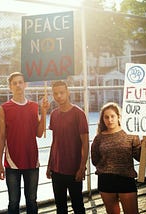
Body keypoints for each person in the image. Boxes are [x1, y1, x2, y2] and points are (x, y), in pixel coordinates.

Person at [0, 71, 49, 214]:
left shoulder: (33, 106)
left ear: (26, 84)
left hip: (31, 160)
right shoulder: (4, 108)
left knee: (32, 200)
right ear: (10, 87)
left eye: (21, 82)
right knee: (13, 202)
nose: (18, 85)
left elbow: (38, 133)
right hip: (12, 162)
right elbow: (1, 137)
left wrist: (44, 113)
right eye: (15, 83)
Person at [91, 102, 146, 214]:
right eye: (106, 117)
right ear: (103, 119)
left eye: (112, 116)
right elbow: (95, 160)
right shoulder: (98, 138)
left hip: (126, 179)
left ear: (119, 117)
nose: (109, 120)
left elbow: (139, 158)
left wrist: (145, 148)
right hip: (106, 180)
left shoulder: (131, 135)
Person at [46, 80, 89, 214]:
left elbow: (85, 143)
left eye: (62, 92)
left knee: (78, 206)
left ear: (68, 92)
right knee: (60, 207)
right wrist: (49, 165)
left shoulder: (78, 113)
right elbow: (55, 142)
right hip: (56, 170)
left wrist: (82, 168)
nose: (59, 96)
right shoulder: (54, 114)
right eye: (55, 93)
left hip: (74, 169)